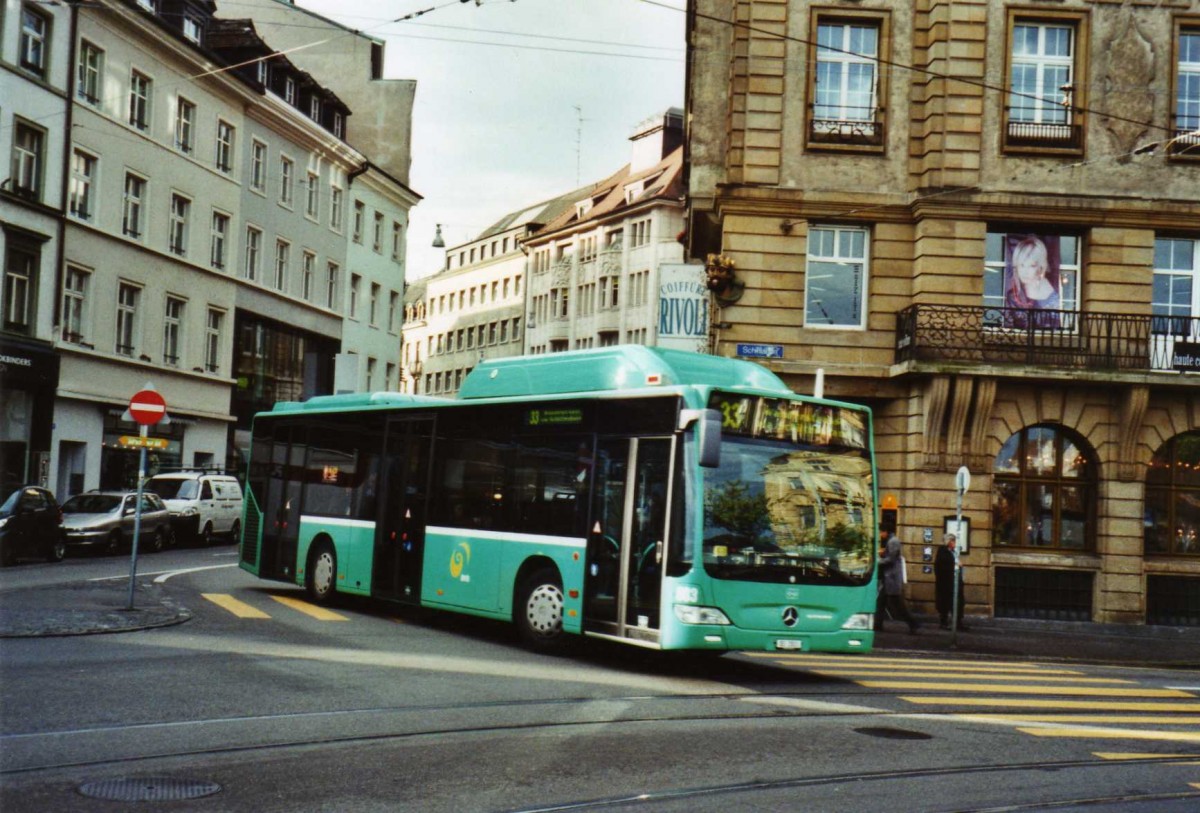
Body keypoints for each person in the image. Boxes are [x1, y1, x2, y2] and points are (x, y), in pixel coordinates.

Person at [1004, 235, 1060, 329]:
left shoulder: (1054, 296)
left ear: (1041, 267)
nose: (1024, 271)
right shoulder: (1014, 296)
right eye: (1021, 265)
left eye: (1031, 266)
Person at [875, 529, 919, 634]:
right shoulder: (891, 541)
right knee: (880, 602)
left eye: (881, 532)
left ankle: (913, 623)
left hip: (892, 577)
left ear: (885, 531)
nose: (880, 534)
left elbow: (891, 559)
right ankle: (877, 624)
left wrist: (878, 561)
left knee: (897, 604)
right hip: (889, 578)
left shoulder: (893, 541)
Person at [934, 533, 968, 630]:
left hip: (955, 582)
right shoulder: (943, 552)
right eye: (953, 541)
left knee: (958, 603)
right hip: (947, 583)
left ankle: (957, 623)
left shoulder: (951, 551)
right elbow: (944, 566)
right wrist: (956, 564)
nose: (955, 543)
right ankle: (944, 623)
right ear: (949, 542)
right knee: (946, 603)